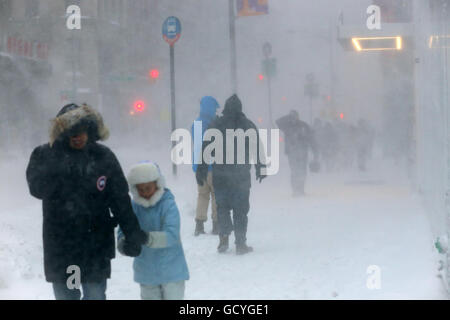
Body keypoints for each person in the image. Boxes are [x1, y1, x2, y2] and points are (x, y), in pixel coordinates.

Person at [26, 103, 148, 300]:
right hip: (62, 247)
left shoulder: (103, 157)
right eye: (72, 132)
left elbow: (119, 200)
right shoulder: (44, 155)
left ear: (90, 129)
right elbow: (36, 189)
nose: (78, 137)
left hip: (95, 246)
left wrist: (132, 233)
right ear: (62, 132)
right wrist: (58, 165)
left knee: (95, 296)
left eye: (82, 131)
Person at [196, 94, 266, 255]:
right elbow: (257, 148)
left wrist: (201, 170)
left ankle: (224, 239)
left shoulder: (216, 125)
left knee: (223, 208)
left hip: (220, 175)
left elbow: (206, 149)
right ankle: (240, 243)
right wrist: (260, 168)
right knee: (241, 210)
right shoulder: (247, 125)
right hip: (241, 176)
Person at [118, 161, 189, 300]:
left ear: (157, 184)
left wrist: (146, 238)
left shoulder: (168, 204)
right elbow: (122, 231)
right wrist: (124, 245)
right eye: (141, 189)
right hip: (146, 272)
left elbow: (172, 235)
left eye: (148, 188)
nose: (145, 193)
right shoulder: (133, 207)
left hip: (171, 271)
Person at [191, 96, 220, 236]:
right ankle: (216, 224)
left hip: (199, 167)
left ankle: (199, 224)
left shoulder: (195, 124)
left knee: (202, 195)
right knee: (216, 195)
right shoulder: (214, 124)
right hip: (213, 166)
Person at [276, 110, 318, 196]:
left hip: (303, 152)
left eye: (294, 116)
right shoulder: (287, 126)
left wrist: (315, 151)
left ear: (298, 116)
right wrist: (288, 117)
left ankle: (301, 189)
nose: (293, 118)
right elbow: (278, 122)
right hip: (292, 153)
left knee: (302, 171)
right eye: (291, 116)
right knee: (294, 171)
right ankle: (295, 190)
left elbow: (311, 139)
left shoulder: (303, 125)